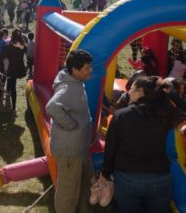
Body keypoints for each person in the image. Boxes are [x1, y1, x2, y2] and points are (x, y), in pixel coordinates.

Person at [100, 76, 185, 213]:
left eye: (132, 88)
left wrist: (105, 173)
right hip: (159, 176)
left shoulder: (121, 116)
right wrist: (173, 95)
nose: (128, 92)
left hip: (127, 176)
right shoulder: (166, 114)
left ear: (140, 91)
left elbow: (110, 148)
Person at [45, 49, 94, 213]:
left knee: (84, 183)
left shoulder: (74, 81)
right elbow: (52, 107)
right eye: (87, 68)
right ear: (75, 70)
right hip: (70, 151)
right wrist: (71, 124)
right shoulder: (67, 87)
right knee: (68, 191)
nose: (91, 70)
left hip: (79, 148)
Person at [0, 29, 27, 116]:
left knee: (4, 85)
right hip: (19, 69)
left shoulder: (9, 47)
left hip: (9, 69)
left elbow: (1, 57)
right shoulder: (23, 46)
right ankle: (14, 108)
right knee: (13, 87)